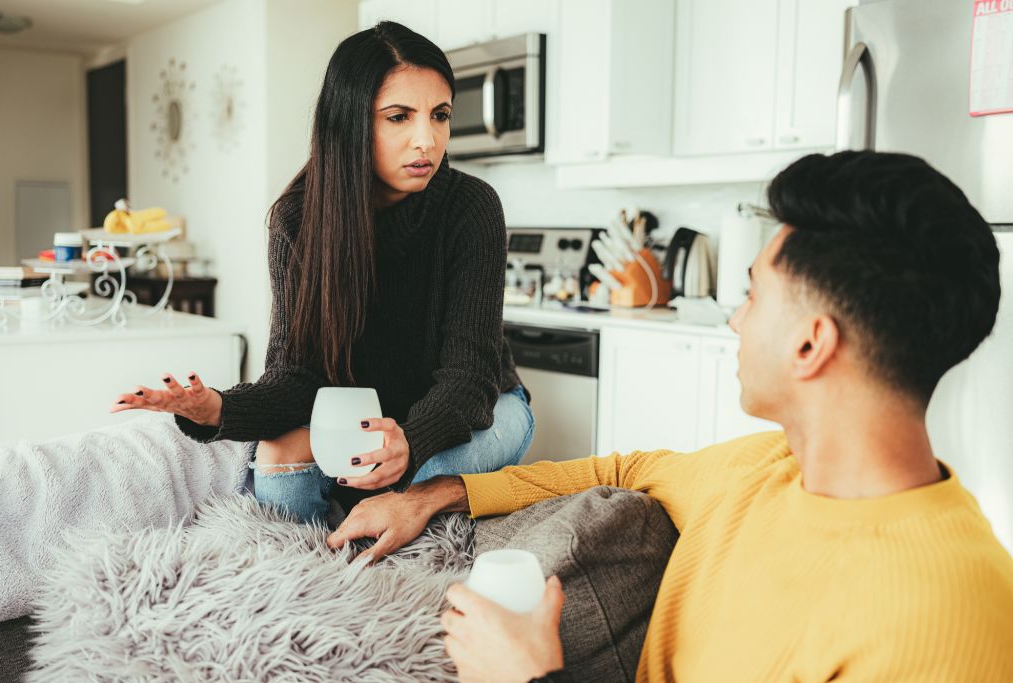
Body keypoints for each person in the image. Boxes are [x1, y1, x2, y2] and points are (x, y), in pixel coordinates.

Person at [325, 150, 1013, 681]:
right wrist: (432, 496)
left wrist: (531, 675)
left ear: (811, 343)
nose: (736, 318)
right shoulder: (768, 469)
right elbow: (628, 469)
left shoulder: (946, 613)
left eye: (752, 295)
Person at [110, 21, 534, 525]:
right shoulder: (297, 218)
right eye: (399, 117)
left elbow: (469, 379)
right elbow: (297, 377)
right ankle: (316, 580)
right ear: (349, 121)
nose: (428, 139)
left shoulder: (472, 207)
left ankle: (406, 513)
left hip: (487, 410)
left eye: (439, 115)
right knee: (276, 457)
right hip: (370, 419)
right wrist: (217, 409)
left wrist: (411, 442)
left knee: (418, 471)